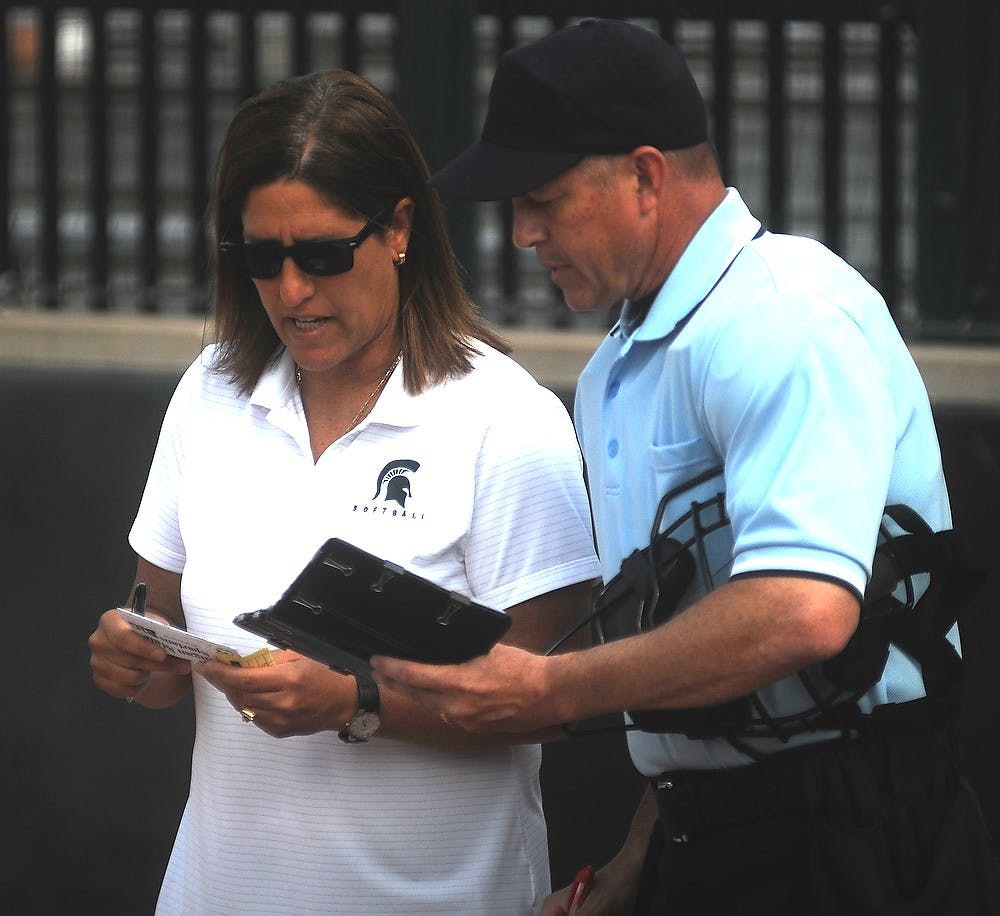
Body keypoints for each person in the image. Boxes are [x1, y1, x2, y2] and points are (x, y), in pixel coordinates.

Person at [372, 18, 999, 915]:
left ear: (645, 175)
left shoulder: (783, 311)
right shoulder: (614, 373)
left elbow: (801, 610)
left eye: (543, 197)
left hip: (855, 835)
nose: (520, 233)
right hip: (717, 841)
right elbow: (693, 663)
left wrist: (548, 686)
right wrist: (647, 848)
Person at [87, 69, 601, 915]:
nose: (292, 290)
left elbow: (558, 700)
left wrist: (358, 704)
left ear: (399, 228)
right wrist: (135, 657)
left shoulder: (503, 418)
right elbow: (162, 637)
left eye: (324, 254)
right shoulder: (211, 391)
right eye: (262, 256)